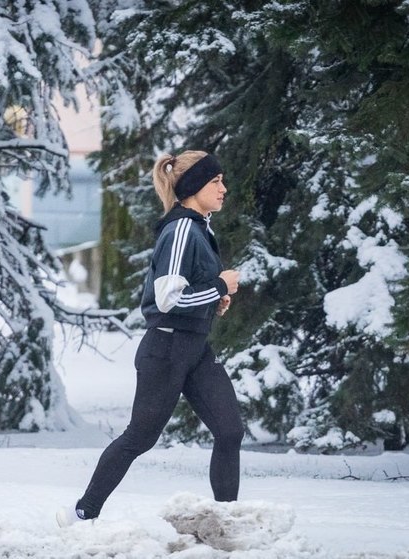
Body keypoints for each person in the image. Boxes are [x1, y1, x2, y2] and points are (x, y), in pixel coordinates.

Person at [57, 150, 244, 526]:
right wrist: (219, 285)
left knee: (229, 430)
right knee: (139, 438)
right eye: (215, 181)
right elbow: (167, 298)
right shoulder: (180, 230)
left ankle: (226, 523)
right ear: (193, 188)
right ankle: (82, 513)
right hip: (166, 350)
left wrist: (212, 302)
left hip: (193, 348)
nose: (224, 188)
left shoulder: (201, 229)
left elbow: (189, 293)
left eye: (222, 180)